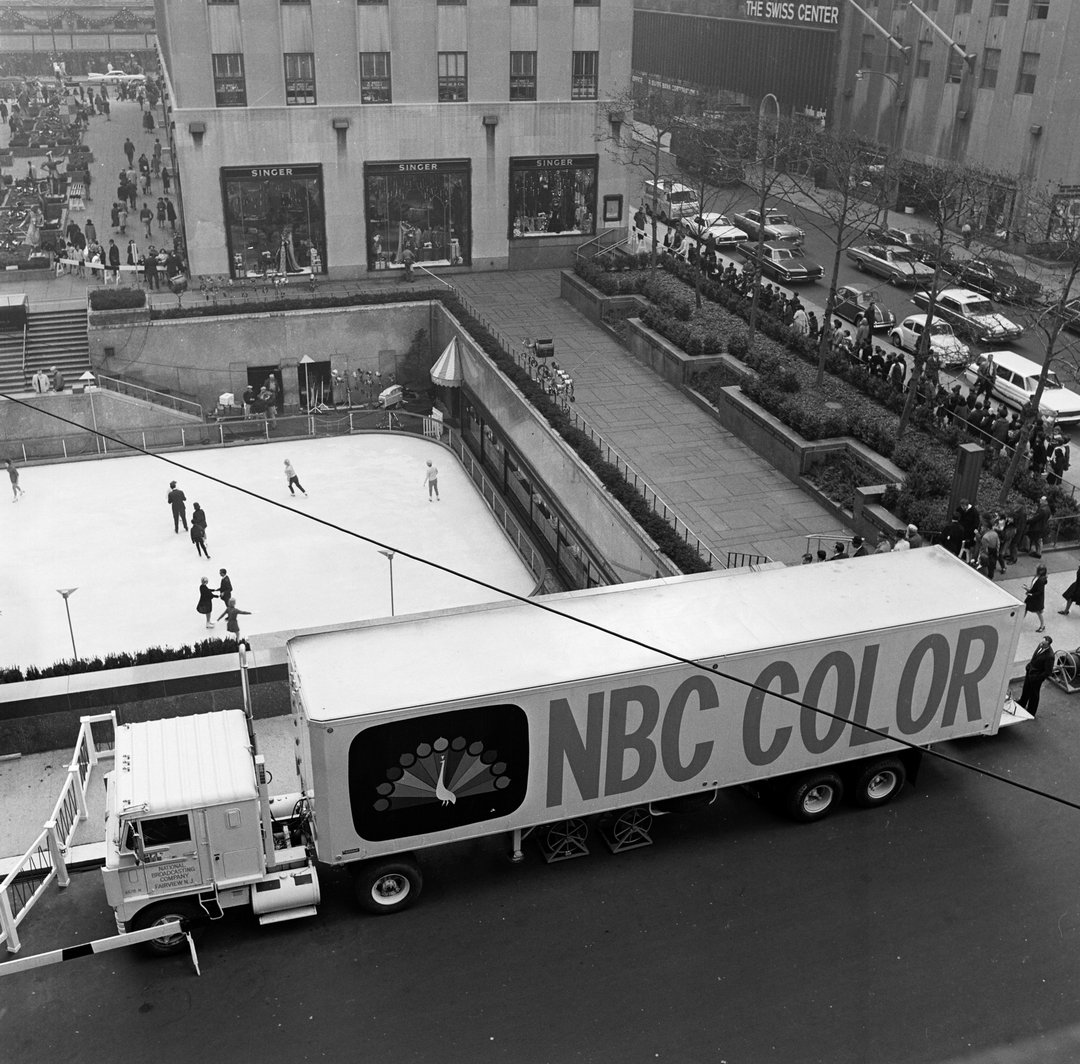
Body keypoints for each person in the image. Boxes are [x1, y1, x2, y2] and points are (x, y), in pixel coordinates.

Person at [1017, 635, 1055, 717]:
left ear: (1048, 645)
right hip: (1030, 671)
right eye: (1041, 642)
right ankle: (1022, 703)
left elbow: (1048, 672)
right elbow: (1035, 657)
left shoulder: (1050, 656)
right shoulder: (1040, 646)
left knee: (1034, 694)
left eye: (1043, 643)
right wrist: (1029, 666)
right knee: (1026, 688)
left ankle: (1031, 711)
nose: (1041, 644)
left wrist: (1038, 678)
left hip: (1036, 677)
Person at [1024, 564, 1048, 632]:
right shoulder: (1037, 577)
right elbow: (1034, 587)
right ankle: (1019, 621)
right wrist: (1028, 589)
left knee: (1038, 612)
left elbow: (1039, 592)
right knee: (1025, 608)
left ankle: (1042, 626)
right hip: (1032, 597)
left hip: (1036, 599)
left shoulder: (1041, 580)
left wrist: (1031, 594)